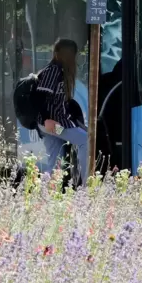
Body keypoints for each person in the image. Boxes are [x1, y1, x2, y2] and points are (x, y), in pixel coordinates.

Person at [34, 38, 88, 186]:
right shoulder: (53, 71)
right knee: (86, 140)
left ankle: (49, 192)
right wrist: (46, 118)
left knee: (55, 159)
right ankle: (87, 187)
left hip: (52, 124)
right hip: (55, 125)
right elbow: (40, 97)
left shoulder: (59, 71)